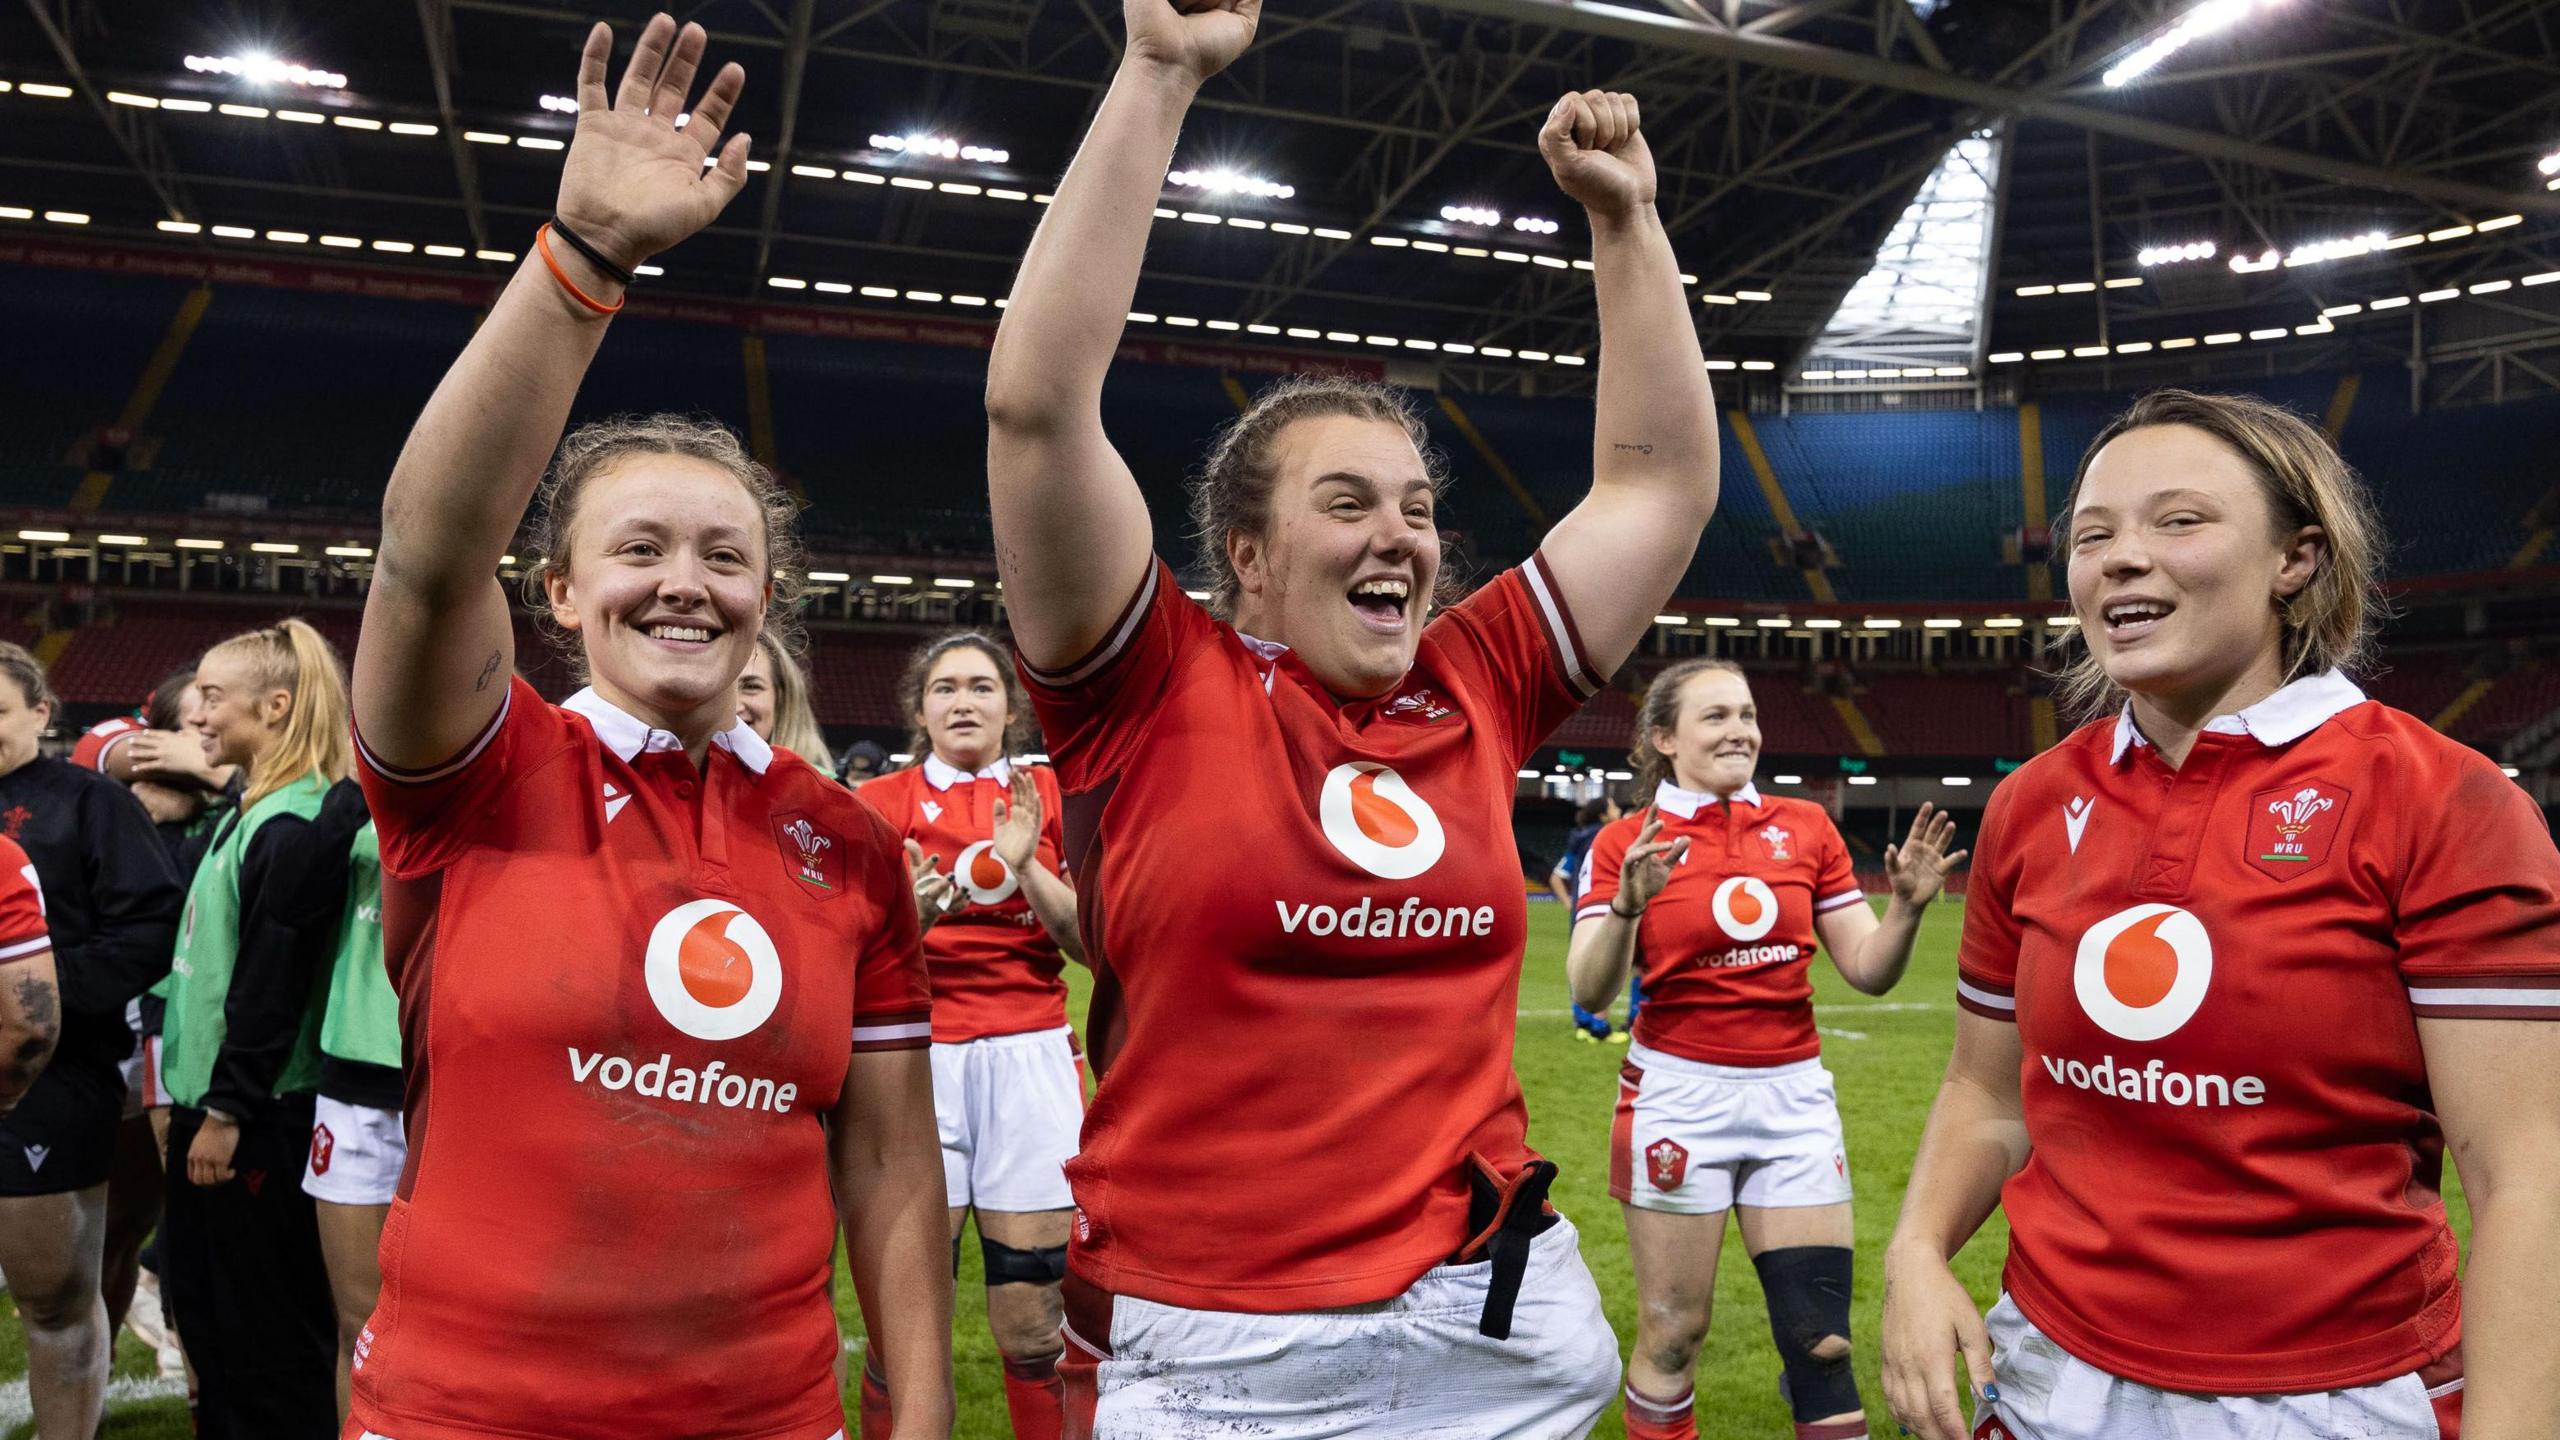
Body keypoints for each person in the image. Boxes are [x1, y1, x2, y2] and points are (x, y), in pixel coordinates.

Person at [984, 0, 1720, 1428]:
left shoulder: (1476, 677)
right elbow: (1038, 410)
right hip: (1226, 1345)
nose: (1401, 536)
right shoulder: (1146, 681)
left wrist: (1628, 226)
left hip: (1492, 1318)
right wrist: (1159, 74)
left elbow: (1657, 489)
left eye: (1420, 508)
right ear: (1248, 555)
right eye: (1348, 504)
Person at [348, 15, 952, 1438]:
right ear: (559, 589)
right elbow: (428, 560)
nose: (685, 583)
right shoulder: (480, 773)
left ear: (768, 599)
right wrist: (583, 260)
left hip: (764, 1414)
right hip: (469, 1414)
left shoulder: (847, 844)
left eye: (726, 558)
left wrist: (916, 1413)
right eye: (640, 550)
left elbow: (887, 1168)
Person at [1880, 389, 2560, 1440]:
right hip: (2044, 1372)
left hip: (2333, 1397)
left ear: (2296, 559)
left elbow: (2526, 1175)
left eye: (2177, 520)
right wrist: (1916, 1255)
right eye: (2091, 535)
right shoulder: (2030, 805)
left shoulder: (2444, 800)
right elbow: (1986, 1091)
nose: (2119, 557)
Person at [1569, 659, 1963, 1440]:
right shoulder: (1627, 842)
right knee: (1674, 1337)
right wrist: (1624, 908)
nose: (1739, 730)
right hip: (1677, 1099)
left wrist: (1908, 912)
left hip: (1793, 1102)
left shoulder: (1805, 828)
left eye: (1746, 714)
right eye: (1714, 716)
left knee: (1821, 1343)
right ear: (1664, 738)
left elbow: (1868, 970)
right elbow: (1588, 990)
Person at [855, 632, 1083, 1440]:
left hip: (1030, 1061)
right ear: (920, 710)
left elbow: (1093, 945)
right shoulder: (876, 804)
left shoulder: (1052, 797)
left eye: (982, 687)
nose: (964, 701)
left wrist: (1028, 867)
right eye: (946, 688)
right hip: (916, 1063)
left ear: (1010, 709)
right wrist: (905, 923)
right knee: (902, 1332)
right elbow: (844, 960)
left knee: (1033, 1322)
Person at [159, 619, 351, 1437]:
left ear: (275, 707)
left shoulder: (291, 825)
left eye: (211, 696)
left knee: (262, 1343)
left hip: (257, 1118)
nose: (195, 714)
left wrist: (229, 1111)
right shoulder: (255, 808)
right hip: (222, 1108)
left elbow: (271, 987)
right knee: (213, 1325)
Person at [0, 643, 184, 1439]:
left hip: (51, 1076)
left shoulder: (88, 802)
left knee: (51, 1297)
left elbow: (149, 930)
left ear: (42, 714)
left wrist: (30, 998)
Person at [275, 777, 390, 1423]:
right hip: (355, 1085)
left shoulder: (508, 794)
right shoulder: (353, 807)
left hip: (465, 1087)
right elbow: (287, 904)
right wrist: (354, 795)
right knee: (361, 1325)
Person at [1549, 793, 1632, 1042]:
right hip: (1605, 907)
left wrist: (1567, 902)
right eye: (1614, 807)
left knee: (1582, 959)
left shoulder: (1579, 837)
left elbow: (1556, 875)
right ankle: (1600, 1026)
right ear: (1603, 815)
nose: (1618, 809)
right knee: (1606, 962)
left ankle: (1582, 1023)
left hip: (1582, 908)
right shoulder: (1607, 838)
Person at [740, 628, 838, 772]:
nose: (734, 706)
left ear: (782, 697)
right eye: (720, 688)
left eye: (751, 686)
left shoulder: (821, 791)